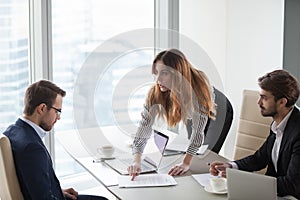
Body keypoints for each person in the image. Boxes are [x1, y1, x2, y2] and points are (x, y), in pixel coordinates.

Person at [3, 80, 108, 200]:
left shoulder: (12, 131)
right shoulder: (32, 148)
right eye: (57, 111)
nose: (59, 117)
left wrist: (58, 191)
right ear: (42, 108)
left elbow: (31, 185)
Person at [209, 69, 300, 199]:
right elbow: (260, 158)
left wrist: (244, 181)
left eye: (264, 98)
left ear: (282, 102)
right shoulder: (278, 125)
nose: (259, 102)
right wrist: (231, 167)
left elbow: (292, 185)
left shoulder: (297, 132)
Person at [128, 48, 216, 180]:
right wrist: (137, 160)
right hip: (184, 102)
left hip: (208, 110)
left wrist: (186, 163)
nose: (158, 79)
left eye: (164, 73)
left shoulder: (199, 88)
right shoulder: (155, 93)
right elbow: (143, 128)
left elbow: (198, 132)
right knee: (189, 142)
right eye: (156, 73)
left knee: (202, 152)